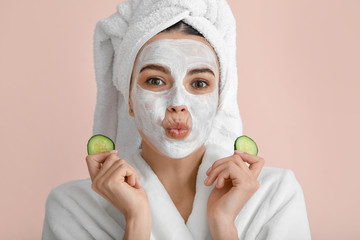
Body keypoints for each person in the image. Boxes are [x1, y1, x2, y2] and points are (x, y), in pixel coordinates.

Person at [42, 1, 311, 239]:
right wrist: (136, 221)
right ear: (130, 100)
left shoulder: (275, 195)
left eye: (199, 83)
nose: (177, 104)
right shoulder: (73, 206)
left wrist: (223, 224)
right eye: (156, 80)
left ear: (219, 101)